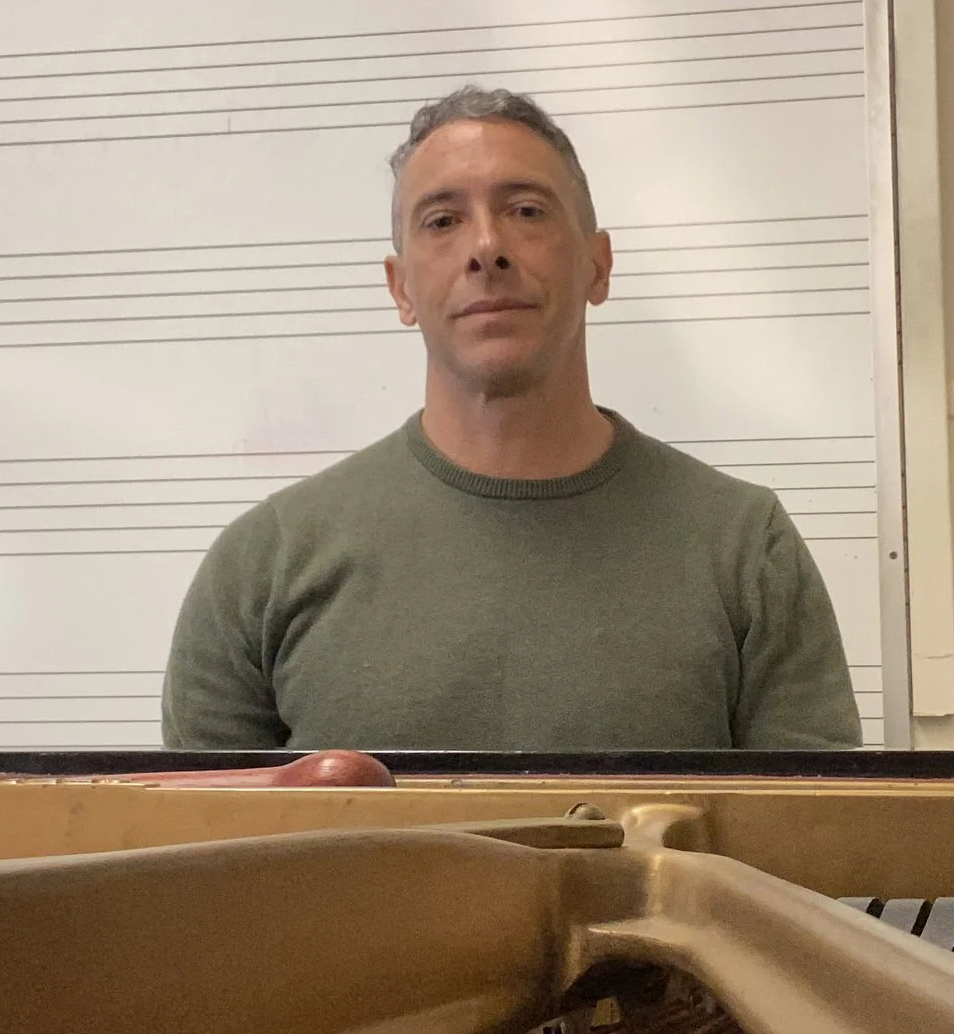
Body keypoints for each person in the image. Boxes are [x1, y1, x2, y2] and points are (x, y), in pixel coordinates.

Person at [162, 85, 861, 750]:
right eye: (442, 220)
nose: (485, 247)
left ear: (598, 264)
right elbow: (206, 866)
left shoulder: (746, 550)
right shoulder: (262, 568)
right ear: (400, 287)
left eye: (526, 210)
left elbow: (813, 854)